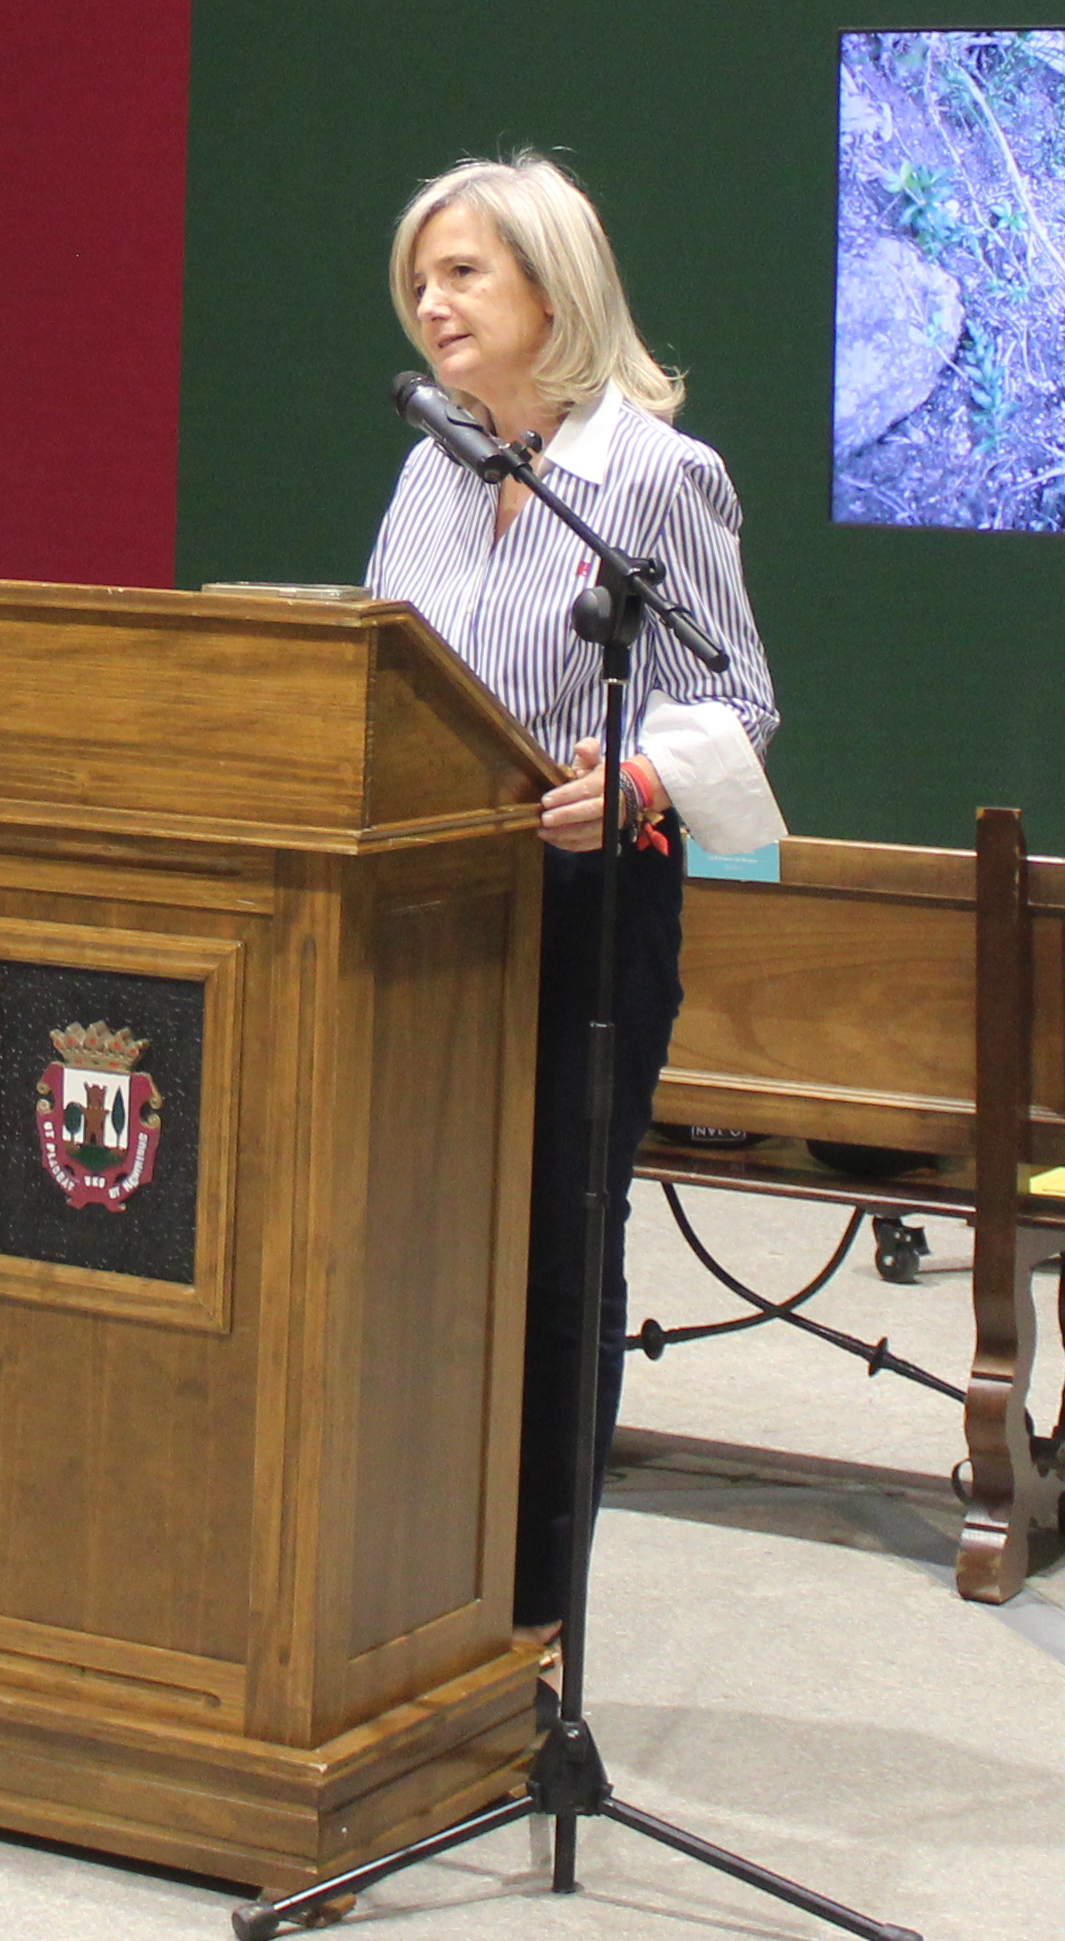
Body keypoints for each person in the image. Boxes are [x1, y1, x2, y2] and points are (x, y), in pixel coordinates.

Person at [362, 153, 785, 1640]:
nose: (432, 301)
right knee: (408, 1237)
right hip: (426, 910)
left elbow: (741, 698)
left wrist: (644, 780)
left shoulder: (658, 478)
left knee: (553, 1248)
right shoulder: (434, 464)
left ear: (556, 287)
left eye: (464, 272)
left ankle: (536, 1622)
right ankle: (413, 1582)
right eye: (422, 277)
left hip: (587, 912)